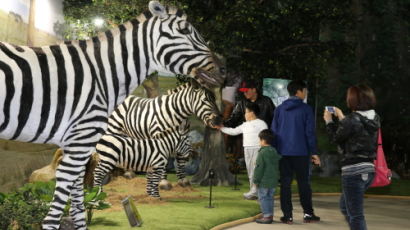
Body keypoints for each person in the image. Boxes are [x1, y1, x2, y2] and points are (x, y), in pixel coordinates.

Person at [323, 84, 379, 230]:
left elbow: (336, 138)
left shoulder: (352, 119)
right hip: (369, 169)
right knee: (345, 206)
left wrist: (329, 121)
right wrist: (342, 116)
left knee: (356, 215)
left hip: (353, 171)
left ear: (353, 100)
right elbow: (354, 131)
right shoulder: (375, 118)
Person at [271, 79, 321, 224]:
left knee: (285, 184)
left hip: (283, 152)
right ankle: (308, 214)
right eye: (305, 90)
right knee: (303, 183)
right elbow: (310, 133)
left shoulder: (279, 109)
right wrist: (314, 152)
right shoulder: (306, 109)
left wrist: (274, 151)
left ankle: (288, 216)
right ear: (299, 91)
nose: (305, 93)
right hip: (301, 152)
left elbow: (273, 131)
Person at [218, 103, 268, 200]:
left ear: (252, 113)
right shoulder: (245, 125)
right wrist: (221, 128)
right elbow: (233, 131)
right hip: (247, 149)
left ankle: (256, 191)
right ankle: (253, 191)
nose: (244, 115)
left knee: (256, 170)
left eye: (246, 112)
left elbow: (266, 136)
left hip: (258, 149)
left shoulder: (261, 123)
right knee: (250, 170)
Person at [253, 129, 282, 224]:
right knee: (270, 198)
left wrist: (256, 181)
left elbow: (259, 169)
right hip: (273, 181)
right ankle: (270, 215)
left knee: (263, 198)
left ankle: (266, 216)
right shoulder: (274, 151)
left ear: (263, 140)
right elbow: (278, 160)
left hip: (264, 182)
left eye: (259, 140)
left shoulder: (262, 153)